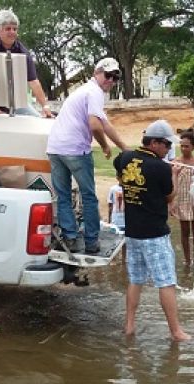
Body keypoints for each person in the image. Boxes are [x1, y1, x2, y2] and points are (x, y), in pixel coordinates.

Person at [113, 120, 189, 342]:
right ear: (155, 143)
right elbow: (169, 197)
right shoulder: (161, 168)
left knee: (135, 279)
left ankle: (129, 325)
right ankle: (176, 331)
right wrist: (174, 175)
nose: (168, 149)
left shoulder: (124, 157)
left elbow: (121, 179)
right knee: (166, 282)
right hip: (155, 233)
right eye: (166, 145)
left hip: (133, 230)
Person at [47, 57, 128, 254]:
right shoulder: (95, 92)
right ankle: (92, 242)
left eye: (116, 77)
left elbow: (105, 123)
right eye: (108, 75)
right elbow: (95, 125)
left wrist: (124, 147)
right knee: (89, 196)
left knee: (63, 196)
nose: (111, 80)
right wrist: (105, 146)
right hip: (75, 150)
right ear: (97, 73)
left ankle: (71, 238)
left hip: (55, 148)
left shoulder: (85, 90)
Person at [0, 9, 52, 118]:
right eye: (8, 29)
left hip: (13, 102)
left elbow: (33, 82)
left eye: (15, 29)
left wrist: (45, 107)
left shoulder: (23, 53)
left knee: (36, 119)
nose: (12, 32)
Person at [171, 132, 194, 267]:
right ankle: (187, 259)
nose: (184, 149)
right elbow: (172, 182)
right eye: (182, 146)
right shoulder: (175, 163)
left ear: (193, 147)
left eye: (187, 146)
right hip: (182, 199)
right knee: (185, 231)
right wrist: (171, 202)